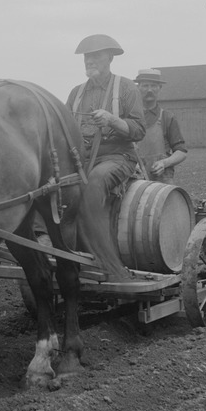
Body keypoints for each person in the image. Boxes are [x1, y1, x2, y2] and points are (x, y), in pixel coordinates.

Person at [66, 34, 146, 278]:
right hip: (81, 158)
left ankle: (104, 255)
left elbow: (139, 130)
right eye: (87, 57)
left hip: (117, 156)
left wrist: (112, 120)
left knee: (95, 182)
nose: (90, 61)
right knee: (52, 186)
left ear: (110, 58)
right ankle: (57, 248)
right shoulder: (76, 92)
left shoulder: (126, 87)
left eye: (96, 56)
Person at [134, 69, 188, 183]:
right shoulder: (130, 117)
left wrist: (164, 163)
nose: (149, 90)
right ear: (138, 87)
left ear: (160, 88)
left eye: (153, 86)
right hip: (135, 180)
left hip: (161, 181)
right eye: (145, 85)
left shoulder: (167, 117)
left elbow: (181, 152)